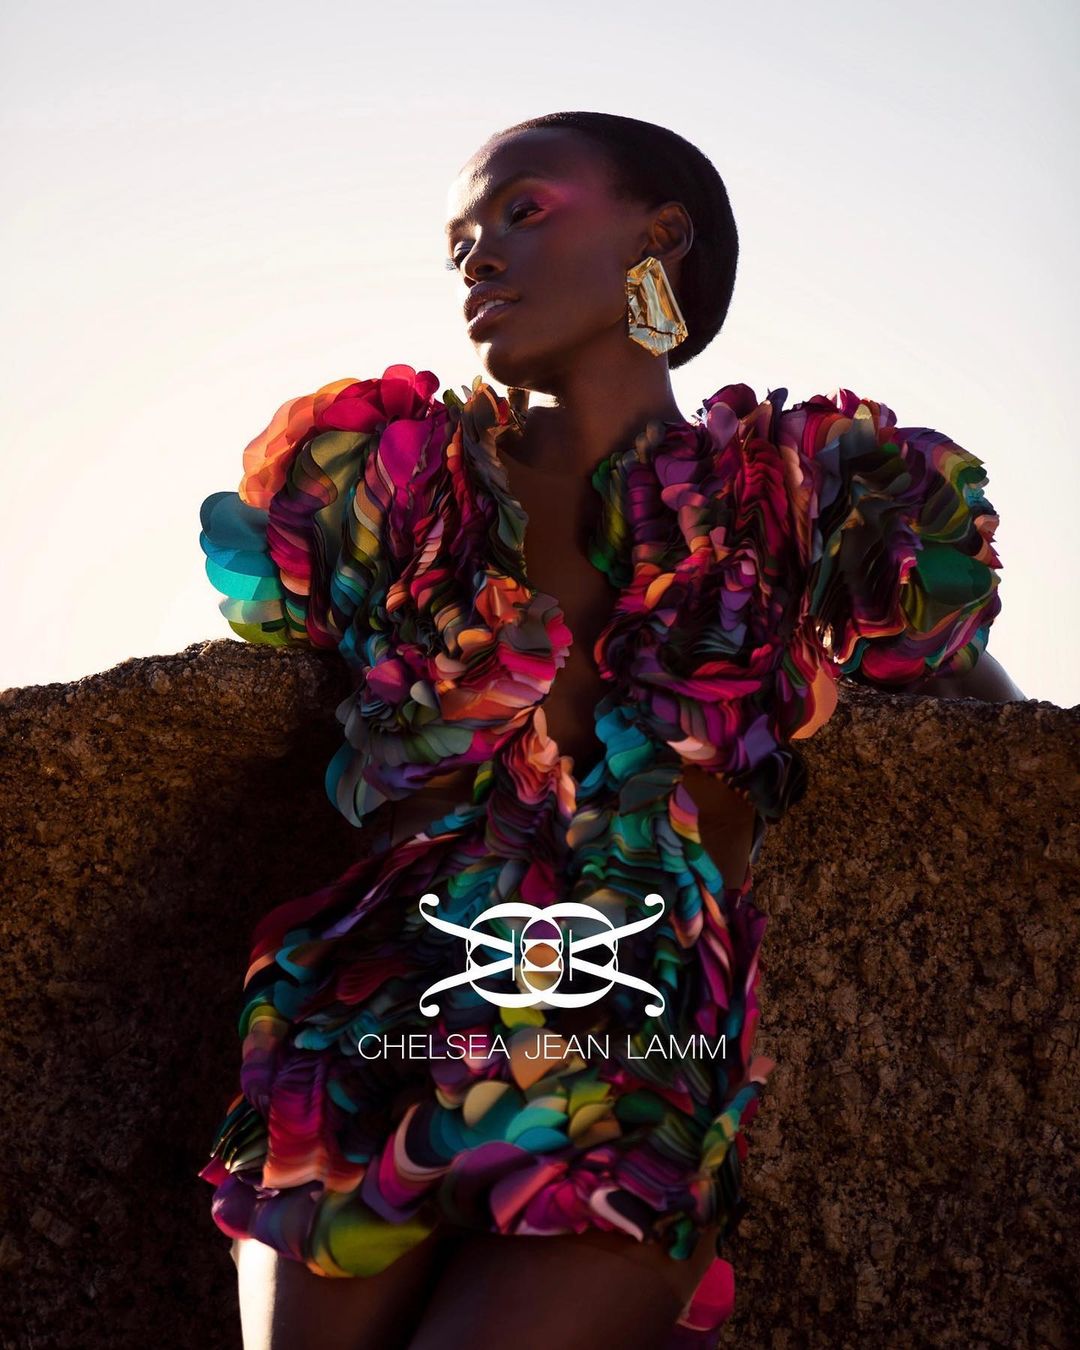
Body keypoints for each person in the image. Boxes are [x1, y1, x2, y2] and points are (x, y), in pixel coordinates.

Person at [196, 111, 1025, 1350]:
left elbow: (978, 702)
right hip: (369, 1028)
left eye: (521, 211)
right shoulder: (392, 487)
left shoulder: (801, 493)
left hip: (633, 1040)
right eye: (460, 243)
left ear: (662, 236)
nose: (479, 256)